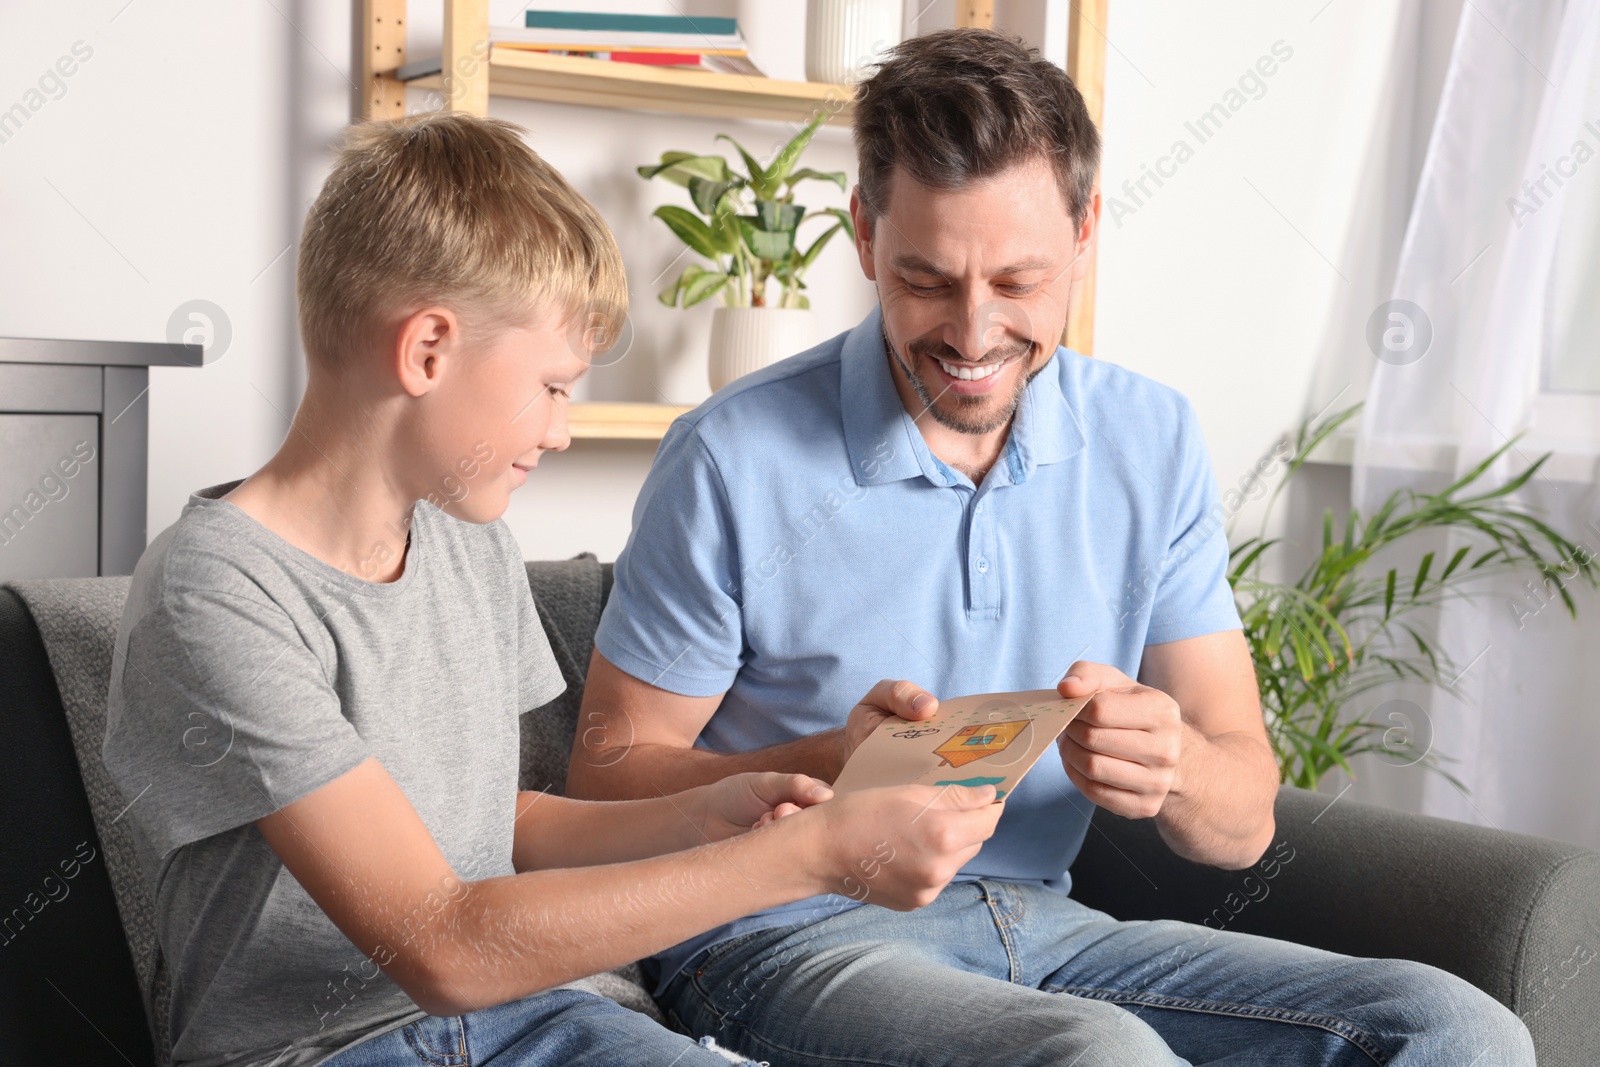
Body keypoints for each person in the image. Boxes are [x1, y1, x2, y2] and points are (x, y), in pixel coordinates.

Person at [565, 28, 1536, 1067]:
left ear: (1085, 235)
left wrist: (1174, 767)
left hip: (1047, 927)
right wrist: (823, 762)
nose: (974, 332)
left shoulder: (1147, 437)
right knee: (1097, 1055)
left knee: (1452, 1026)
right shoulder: (731, 454)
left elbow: (1243, 816)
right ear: (861, 235)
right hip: (778, 932)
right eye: (926, 279)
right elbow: (604, 777)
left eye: (1018, 281)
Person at [100, 111, 1002, 1067]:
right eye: (556, 386)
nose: (563, 431)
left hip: (539, 1017)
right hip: (330, 1047)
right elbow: (441, 943)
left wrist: (709, 815)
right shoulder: (217, 592)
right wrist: (806, 858)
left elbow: (496, 824)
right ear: (428, 351)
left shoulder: (462, 540)